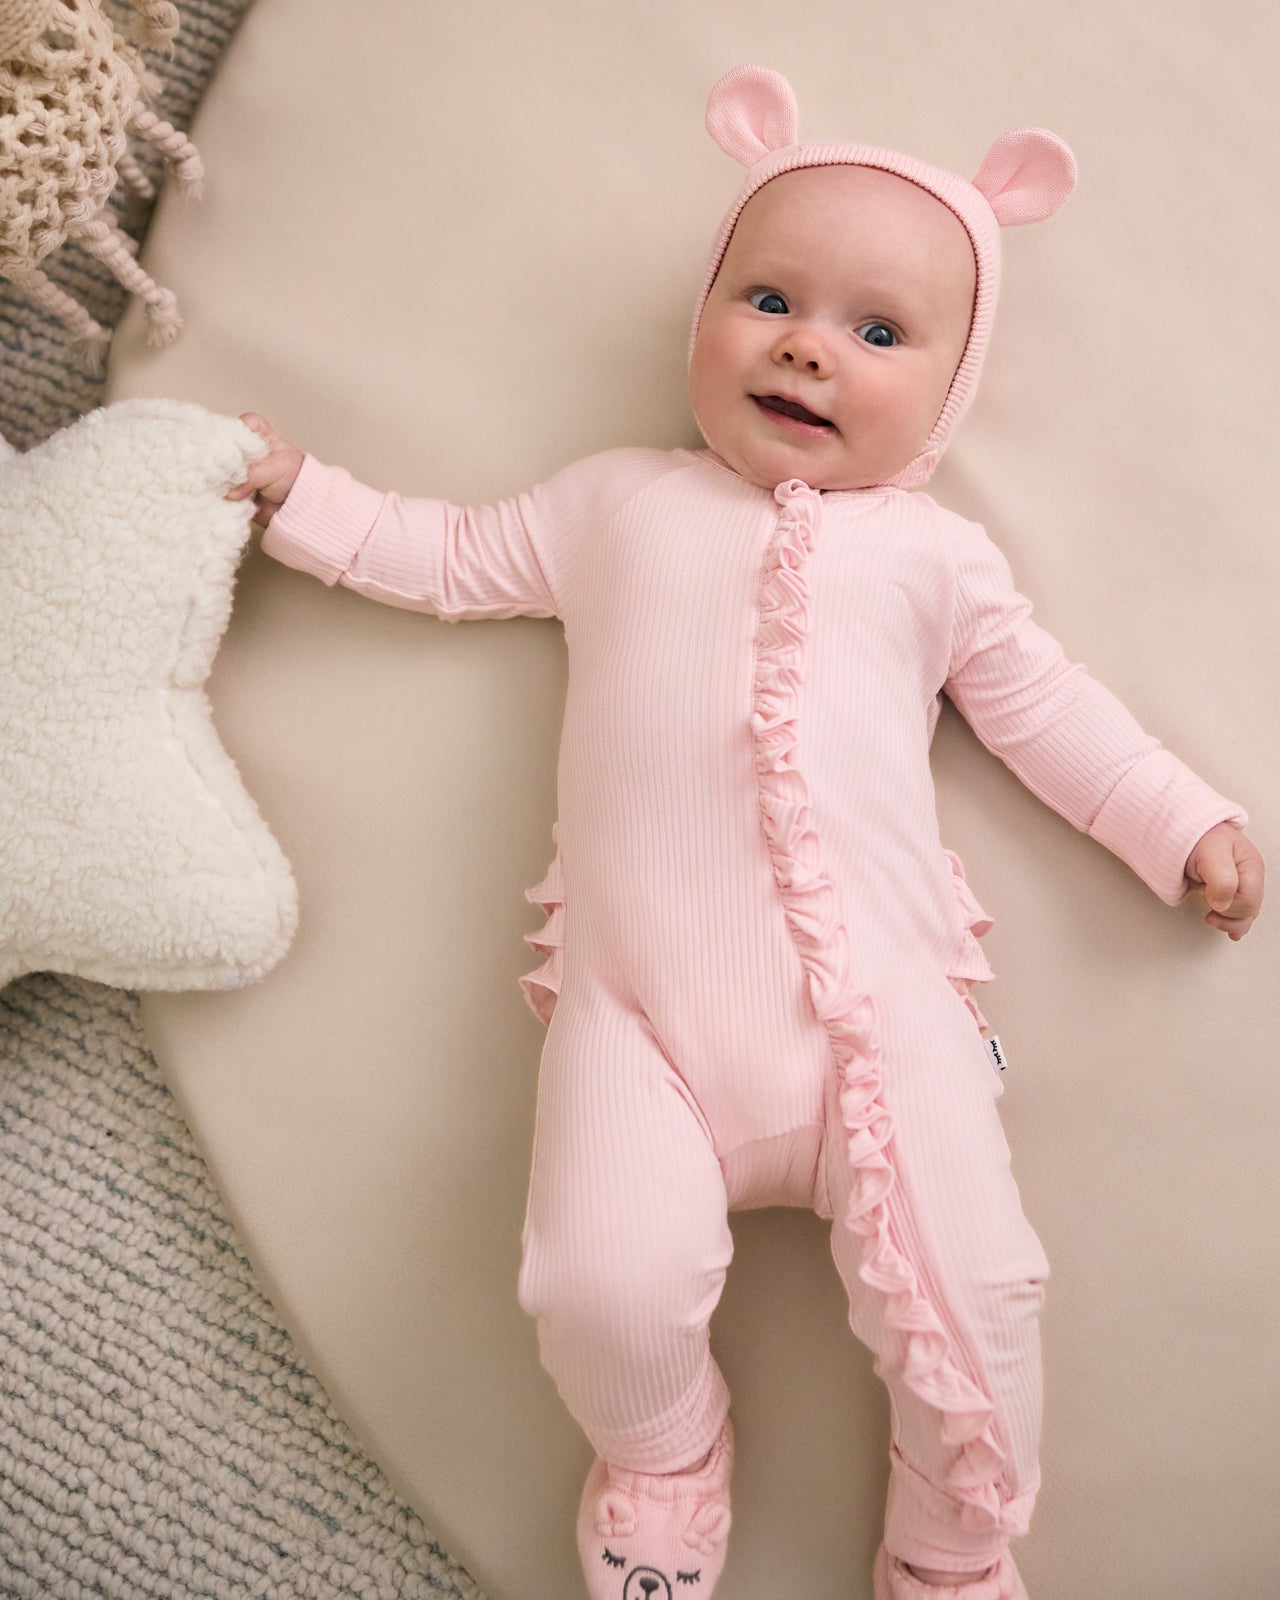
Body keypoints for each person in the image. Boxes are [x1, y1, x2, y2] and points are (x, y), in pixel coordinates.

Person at [227, 65, 1264, 1600]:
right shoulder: (614, 507)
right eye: (768, 298)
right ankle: (663, 1456)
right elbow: (441, 554)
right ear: (705, 315)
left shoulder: (936, 559)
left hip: (885, 1023)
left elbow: (1047, 711)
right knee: (594, 1278)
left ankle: (952, 1544)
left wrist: (1181, 822)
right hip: (641, 1017)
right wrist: (298, 494)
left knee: (983, 1294)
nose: (806, 345)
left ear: (951, 390)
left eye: (878, 332)